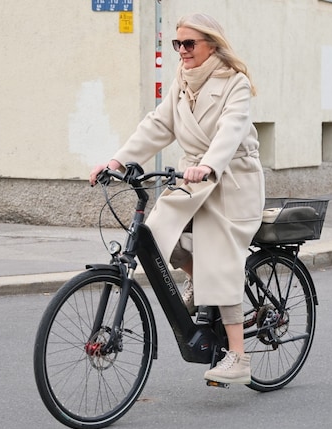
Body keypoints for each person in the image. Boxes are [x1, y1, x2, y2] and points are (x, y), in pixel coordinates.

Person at [89, 13, 264, 385]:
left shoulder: (235, 84)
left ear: (211, 45)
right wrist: (117, 159)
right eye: (177, 44)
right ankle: (197, 283)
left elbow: (230, 132)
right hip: (191, 179)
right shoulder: (182, 82)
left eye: (189, 44)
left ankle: (238, 355)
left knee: (218, 258)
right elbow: (159, 125)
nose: (181, 51)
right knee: (155, 238)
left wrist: (209, 166)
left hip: (230, 181)